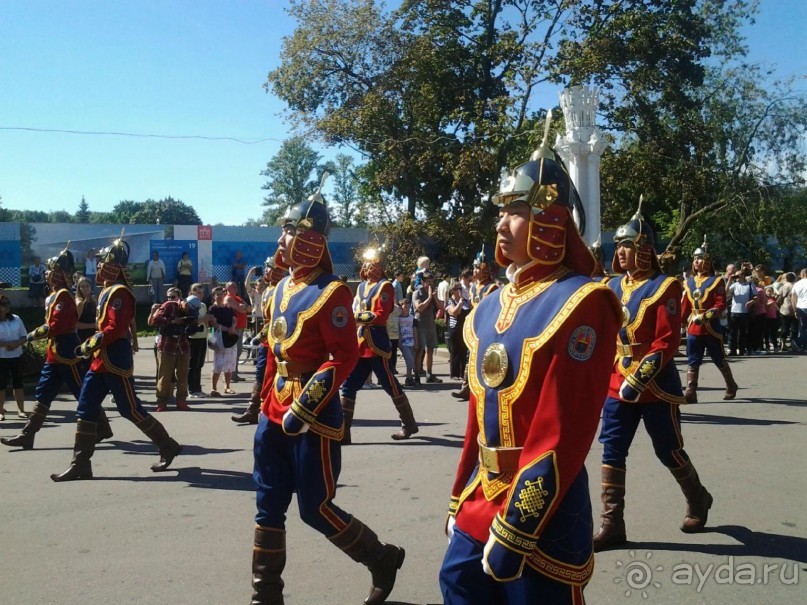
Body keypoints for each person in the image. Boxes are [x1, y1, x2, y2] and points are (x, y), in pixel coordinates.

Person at [440, 126, 621, 605]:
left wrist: (518, 528)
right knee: (456, 585)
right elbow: (478, 420)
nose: (501, 224)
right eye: (501, 212)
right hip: (484, 493)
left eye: (516, 212)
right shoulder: (489, 304)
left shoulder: (583, 301)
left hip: (544, 511)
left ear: (550, 220)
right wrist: (460, 497)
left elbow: (563, 430)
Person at [250, 181, 404, 605]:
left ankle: (380, 558)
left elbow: (343, 356)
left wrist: (305, 404)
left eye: (288, 230)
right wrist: (260, 405)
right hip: (274, 408)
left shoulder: (332, 292)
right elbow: (272, 350)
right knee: (268, 505)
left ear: (309, 238)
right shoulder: (280, 289)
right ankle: (266, 596)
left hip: (312, 415)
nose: (281, 239)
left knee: (314, 508)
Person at [593, 197, 713, 554]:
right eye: (619, 246)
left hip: (654, 386)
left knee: (668, 449)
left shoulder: (666, 286)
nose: (621, 251)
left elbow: (666, 341)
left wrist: (639, 377)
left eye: (627, 245)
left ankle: (698, 497)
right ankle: (612, 523)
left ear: (645, 248)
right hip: (616, 383)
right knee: (611, 451)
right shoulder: (612, 286)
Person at [50, 236, 182, 481]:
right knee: (86, 407)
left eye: (103, 262)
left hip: (115, 360)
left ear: (113, 265)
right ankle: (81, 463)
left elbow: (115, 327)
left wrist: (88, 344)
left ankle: (168, 445)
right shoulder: (107, 291)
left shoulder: (119, 292)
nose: (99, 266)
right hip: (101, 361)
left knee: (130, 408)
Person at [2, 249, 112, 449]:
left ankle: (102, 427)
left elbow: (57, 325)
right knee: (43, 393)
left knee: (82, 392)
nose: (47, 274)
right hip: (55, 352)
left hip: (67, 350)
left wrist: (32, 335)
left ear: (59, 273)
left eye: (51, 271)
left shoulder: (62, 295)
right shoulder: (54, 295)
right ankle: (28, 435)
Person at [339, 245, 419, 444]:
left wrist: (354, 317)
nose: (368, 267)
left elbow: (380, 316)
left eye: (373, 264)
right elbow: (356, 308)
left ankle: (408, 423)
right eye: (367, 263)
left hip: (377, 345)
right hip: (361, 344)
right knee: (348, 386)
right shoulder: (361, 287)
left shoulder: (385, 286)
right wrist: (353, 317)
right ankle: (344, 431)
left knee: (390, 384)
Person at [231, 253, 287, 424]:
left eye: (270, 267)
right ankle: (253, 409)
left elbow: (280, 319)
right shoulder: (269, 289)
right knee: (260, 374)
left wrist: (260, 335)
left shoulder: (284, 289)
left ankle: (274, 411)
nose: (267, 271)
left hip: (279, 340)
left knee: (280, 376)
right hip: (266, 339)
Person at [680, 237, 738, 403]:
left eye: (700, 258)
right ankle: (691, 390)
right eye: (695, 258)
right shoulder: (689, 281)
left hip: (710, 326)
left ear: (707, 262)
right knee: (693, 359)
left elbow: (720, 304)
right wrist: (682, 322)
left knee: (718, 357)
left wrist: (705, 316)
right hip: (693, 327)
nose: (696, 261)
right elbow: (685, 304)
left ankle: (730, 384)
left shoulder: (716, 280)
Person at [452, 247, 499, 400]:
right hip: (475, 326)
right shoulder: (473, 287)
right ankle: (466, 387)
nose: (474, 271)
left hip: (487, 326)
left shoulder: (492, 288)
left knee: (484, 357)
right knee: (470, 355)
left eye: (477, 268)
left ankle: (485, 386)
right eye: (474, 268)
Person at [148, 287, 193, 412]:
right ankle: (162, 402)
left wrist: (189, 320)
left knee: (183, 375)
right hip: (167, 345)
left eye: (173, 297)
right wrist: (173, 321)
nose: (170, 300)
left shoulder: (188, 306)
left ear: (180, 297)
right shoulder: (168, 306)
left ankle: (181, 401)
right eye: (168, 297)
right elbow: (155, 320)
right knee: (165, 375)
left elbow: (194, 323)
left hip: (183, 345)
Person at [0, 295, 30, 421]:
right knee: (1, 386)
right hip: (1, 357)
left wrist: (16, 344)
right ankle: (1, 411)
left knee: (18, 384)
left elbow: (24, 336)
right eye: (3, 303)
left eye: (7, 303)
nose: (6, 305)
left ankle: (21, 410)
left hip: (16, 356)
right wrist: (8, 344)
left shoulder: (17, 319)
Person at [412, 271, 443, 383]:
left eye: (431, 282)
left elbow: (441, 307)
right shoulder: (417, 293)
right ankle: (416, 374)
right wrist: (429, 297)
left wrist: (434, 298)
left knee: (430, 349)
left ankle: (429, 374)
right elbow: (419, 308)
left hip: (430, 324)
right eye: (428, 282)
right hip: (420, 324)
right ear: (423, 282)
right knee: (420, 349)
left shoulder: (433, 292)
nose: (430, 284)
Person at [208, 286, 239, 396]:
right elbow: (213, 323)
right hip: (220, 338)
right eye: (217, 294)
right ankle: (213, 388)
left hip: (231, 338)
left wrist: (233, 327)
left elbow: (234, 319)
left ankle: (227, 387)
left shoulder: (228, 307)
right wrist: (227, 329)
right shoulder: (212, 309)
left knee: (229, 364)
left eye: (221, 293)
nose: (220, 296)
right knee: (218, 364)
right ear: (213, 296)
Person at [186, 283, 211, 398]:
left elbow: (204, 320)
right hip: (193, 338)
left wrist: (207, 322)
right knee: (193, 364)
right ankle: (191, 389)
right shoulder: (189, 304)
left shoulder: (203, 305)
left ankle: (197, 388)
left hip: (202, 337)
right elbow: (190, 321)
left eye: (202, 292)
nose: (201, 295)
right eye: (198, 292)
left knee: (199, 364)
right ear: (192, 293)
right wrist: (202, 320)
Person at [225, 280, 250, 382]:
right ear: (227, 288)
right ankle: (230, 375)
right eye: (233, 286)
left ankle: (234, 373)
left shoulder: (238, 298)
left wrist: (244, 307)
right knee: (233, 352)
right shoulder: (228, 298)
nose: (235, 287)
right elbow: (240, 309)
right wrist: (243, 307)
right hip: (233, 328)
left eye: (235, 286)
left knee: (238, 351)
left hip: (240, 327)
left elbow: (249, 308)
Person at [444, 281, 470, 380]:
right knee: (455, 351)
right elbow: (455, 312)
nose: (460, 291)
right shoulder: (450, 301)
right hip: (454, 330)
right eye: (458, 289)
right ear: (452, 291)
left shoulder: (465, 301)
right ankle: (454, 374)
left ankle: (463, 373)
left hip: (463, 329)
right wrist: (460, 302)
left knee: (463, 351)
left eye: (461, 289)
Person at [727, 270, 756, 356]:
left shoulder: (750, 284)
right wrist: (729, 280)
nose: (737, 277)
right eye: (736, 276)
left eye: (738, 275)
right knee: (733, 332)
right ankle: (732, 350)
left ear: (743, 275)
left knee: (743, 332)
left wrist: (751, 301)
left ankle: (742, 350)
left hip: (745, 312)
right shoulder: (734, 285)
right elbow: (725, 292)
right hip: (734, 311)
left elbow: (756, 296)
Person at [397, 299, 418, 387]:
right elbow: (397, 331)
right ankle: (412, 376)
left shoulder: (412, 318)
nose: (407, 308)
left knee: (411, 360)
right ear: (401, 307)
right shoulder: (398, 319)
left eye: (408, 307)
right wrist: (399, 342)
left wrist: (416, 342)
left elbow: (414, 331)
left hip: (411, 342)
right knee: (409, 360)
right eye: (405, 306)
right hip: (404, 343)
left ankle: (409, 378)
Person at [74, 277, 98, 343]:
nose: (85, 288)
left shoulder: (93, 300)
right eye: (82, 286)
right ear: (79, 288)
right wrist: (93, 325)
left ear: (91, 286)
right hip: (83, 337)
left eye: (87, 286)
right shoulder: (80, 303)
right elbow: (75, 324)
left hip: (94, 335)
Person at [791, 267, 807, 351]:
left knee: (803, 327)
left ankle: (801, 343)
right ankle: (799, 342)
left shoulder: (797, 284)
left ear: (803, 274)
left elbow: (793, 297)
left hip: (801, 307)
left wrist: (794, 309)